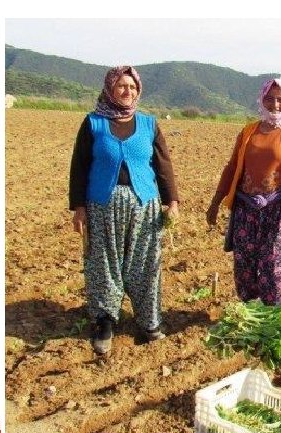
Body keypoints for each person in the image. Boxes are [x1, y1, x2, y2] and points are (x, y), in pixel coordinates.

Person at [69, 65, 179, 355]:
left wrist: (172, 202)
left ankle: (149, 322)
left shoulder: (149, 124)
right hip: (102, 205)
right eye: (121, 86)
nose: (127, 91)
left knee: (146, 263)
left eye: (132, 87)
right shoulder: (93, 123)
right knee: (103, 263)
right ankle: (104, 322)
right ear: (110, 89)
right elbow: (79, 167)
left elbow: (163, 165)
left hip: (145, 206)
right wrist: (79, 207)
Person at [205, 78, 281, 305]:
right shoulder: (248, 132)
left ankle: (273, 316)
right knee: (244, 269)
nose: (275, 104)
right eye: (269, 99)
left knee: (275, 272)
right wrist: (216, 202)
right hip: (246, 211)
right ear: (261, 100)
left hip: (280, 214)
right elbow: (232, 168)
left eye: (280, 100)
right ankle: (249, 314)